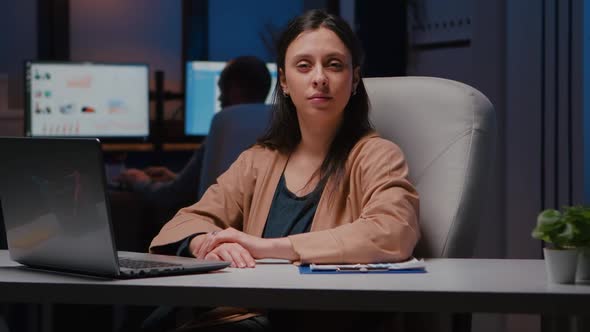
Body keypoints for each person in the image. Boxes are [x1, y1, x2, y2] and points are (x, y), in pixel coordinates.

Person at [148, 9, 420, 332]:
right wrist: (207, 243)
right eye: (304, 66)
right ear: (285, 82)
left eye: (334, 64)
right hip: (236, 315)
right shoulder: (258, 160)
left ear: (355, 79)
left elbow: (394, 230)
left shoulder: (377, 156)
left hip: (314, 321)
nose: (319, 77)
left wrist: (265, 247)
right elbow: (185, 221)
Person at [116, 56, 272, 225]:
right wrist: (175, 177)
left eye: (221, 91)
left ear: (234, 90)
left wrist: (139, 181)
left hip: (213, 232)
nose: (219, 99)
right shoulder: (278, 126)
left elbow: (170, 197)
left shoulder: (222, 125)